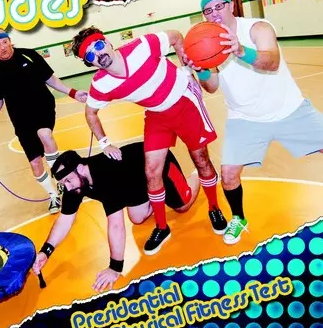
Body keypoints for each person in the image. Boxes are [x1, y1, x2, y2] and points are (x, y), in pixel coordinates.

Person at [70, 26, 227, 255]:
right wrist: (105, 143)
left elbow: (176, 36)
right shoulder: (101, 84)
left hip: (184, 102)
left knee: (201, 160)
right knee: (152, 171)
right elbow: (90, 113)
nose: (98, 54)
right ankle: (162, 227)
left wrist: (187, 71)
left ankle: (214, 208)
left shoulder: (142, 47)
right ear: (90, 63)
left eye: (99, 45)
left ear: (108, 42)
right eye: (90, 54)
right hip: (156, 115)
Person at [186, 0, 323, 245]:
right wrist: (201, 70)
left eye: (219, 6)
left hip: (289, 110)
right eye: (208, 10)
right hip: (244, 119)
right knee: (228, 174)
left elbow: (272, 62)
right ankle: (239, 219)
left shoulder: (258, 28)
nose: (214, 13)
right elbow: (211, 87)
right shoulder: (207, 42)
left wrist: (241, 51)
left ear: (231, 6)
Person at [32, 141, 202, 292]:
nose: (67, 188)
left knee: (182, 206)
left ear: (81, 168)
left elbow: (116, 225)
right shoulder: (75, 184)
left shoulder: (105, 175)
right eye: (63, 184)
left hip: (157, 162)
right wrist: (46, 252)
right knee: (137, 218)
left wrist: (115, 268)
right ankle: (154, 194)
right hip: (136, 180)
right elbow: (64, 220)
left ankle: (197, 174)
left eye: (68, 181)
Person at [0, 28, 88, 214]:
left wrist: (72, 92)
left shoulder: (29, 56)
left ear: (10, 41)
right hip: (20, 118)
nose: (2, 47)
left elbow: (51, 80)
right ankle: (53, 196)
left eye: (4, 42)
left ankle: (61, 177)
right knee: (35, 163)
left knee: (44, 134)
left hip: (43, 107)